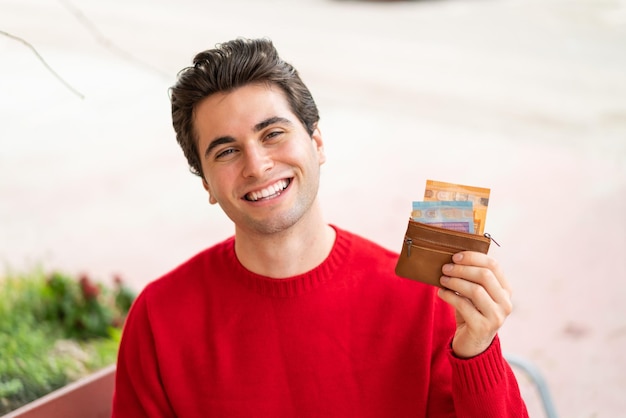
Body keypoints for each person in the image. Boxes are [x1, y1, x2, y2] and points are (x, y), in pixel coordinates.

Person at [112, 37, 528, 417]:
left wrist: (477, 352)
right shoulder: (158, 319)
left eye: (273, 133)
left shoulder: (429, 302)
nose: (257, 166)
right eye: (226, 151)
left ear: (317, 143)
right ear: (205, 183)